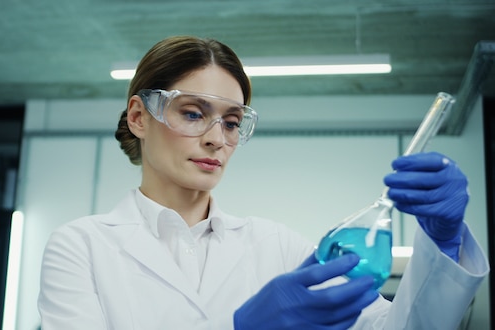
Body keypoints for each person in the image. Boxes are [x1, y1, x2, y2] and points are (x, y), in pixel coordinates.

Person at [37, 35, 489, 329]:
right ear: (139, 116)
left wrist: (443, 241)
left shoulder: (280, 247)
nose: (217, 139)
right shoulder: (81, 247)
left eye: (232, 122)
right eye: (193, 113)